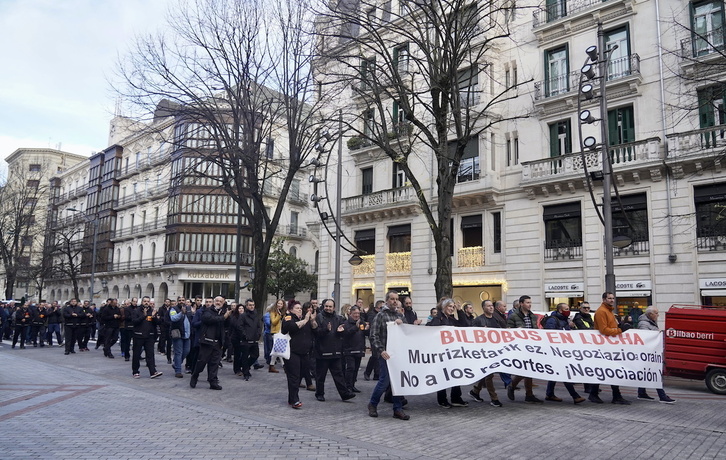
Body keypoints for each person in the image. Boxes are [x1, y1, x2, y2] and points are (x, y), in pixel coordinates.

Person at [368, 291, 409, 420]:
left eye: (396, 299)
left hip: (397, 355)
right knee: (384, 381)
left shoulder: (400, 315)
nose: (394, 301)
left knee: (397, 382)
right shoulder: (380, 316)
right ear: (387, 301)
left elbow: (407, 331)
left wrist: (402, 323)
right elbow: (373, 335)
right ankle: (372, 404)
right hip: (385, 355)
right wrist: (381, 350)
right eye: (392, 299)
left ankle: (397, 409)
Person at [588, 292, 631, 405]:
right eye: (609, 298)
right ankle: (607, 395)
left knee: (607, 369)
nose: (612, 300)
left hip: (609, 344)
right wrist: (620, 330)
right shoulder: (602, 311)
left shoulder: (609, 311)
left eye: (613, 298)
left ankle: (599, 394)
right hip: (604, 345)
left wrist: (619, 327)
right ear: (604, 299)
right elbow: (604, 330)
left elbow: (610, 327)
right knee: (606, 369)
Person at [428, 298, 469, 408]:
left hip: (452, 352)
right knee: (443, 376)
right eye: (450, 306)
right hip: (441, 352)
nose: (451, 309)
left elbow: (463, 326)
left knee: (456, 374)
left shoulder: (451, 319)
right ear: (444, 307)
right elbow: (433, 331)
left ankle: (456, 398)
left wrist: (460, 311)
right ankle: (442, 399)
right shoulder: (438, 318)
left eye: (453, 307)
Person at [314, 298, 356, 402]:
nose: (328, 308)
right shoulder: (319, 317)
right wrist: (326, 330)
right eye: (326, 306)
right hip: (322, 351)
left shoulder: (339, 318)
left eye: (330, 307)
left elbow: (344, 333)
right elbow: (316, 333)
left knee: (339, 375)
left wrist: (340, 331)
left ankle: (344, 394)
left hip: (336, 351)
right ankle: (319, 393)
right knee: (321, 376)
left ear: (334, 308)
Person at [543, 303, 586, 404]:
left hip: (563, 351)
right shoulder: (552, 320)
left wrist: (572, 327)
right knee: (563, 373)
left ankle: (549, 394)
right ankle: (575, 396)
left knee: (555, 373)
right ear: (560, 310)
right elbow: (549, 335)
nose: (568, 311)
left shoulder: (565, 320)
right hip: (555, 351)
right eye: (566, 309)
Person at [506, 295, 544, 403]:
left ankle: (529, 394)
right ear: (521, 304)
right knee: (525, 371)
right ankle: (513, 386)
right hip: (520, 346)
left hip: (531, 346)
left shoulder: (533, 316)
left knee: (530, 370)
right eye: (527, 302)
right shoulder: (513, 316)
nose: (529, 304)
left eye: (530, 303)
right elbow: (508, 330)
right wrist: (516, 331)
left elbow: (535, 330)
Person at [281, 300, 317, 409]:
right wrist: (305, 320)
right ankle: (295, 400)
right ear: (291, 310)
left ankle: (291, 398)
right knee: (294, 376)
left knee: (300, 375)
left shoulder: (305, 319)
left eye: (300, 308)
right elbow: (289, 328)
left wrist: (312, 321)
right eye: (297, 308)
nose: (300, 309)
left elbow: (315, 330)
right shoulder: (288, 317)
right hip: (292, 352)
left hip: (305, 352)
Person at [636, 306, 676, 404]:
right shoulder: (643, 324)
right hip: (648, 354)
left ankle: (641, 393)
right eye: (656, 313)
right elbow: (645, 338)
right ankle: (662, 396)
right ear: (650, 314)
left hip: (652, 353)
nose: (658, 315)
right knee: (656, 374)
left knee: (647, 373)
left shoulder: (650, 322)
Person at [190, 296, 230, 390]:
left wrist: (227, 317)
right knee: (202, 361)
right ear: (214, 302)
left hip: (218, 342)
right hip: (207, 341)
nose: (218, 302)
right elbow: (209, 319)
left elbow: (227, 325)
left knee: (214, 363)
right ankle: (195, 375)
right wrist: (223, 317)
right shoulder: (207, 311)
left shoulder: (224, 312)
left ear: (223, 302)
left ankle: (213, 381)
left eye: (220, 301)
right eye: (217, 301)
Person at [470, 300, 504, 407]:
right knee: (489, 375)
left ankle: (475, 391)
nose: (491, 308)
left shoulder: (496, 320)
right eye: (488, 306)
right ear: (483, 308)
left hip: (494, 351)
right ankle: (494, 398)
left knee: (486, 374)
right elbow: (471, 334)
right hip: (482, 352)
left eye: (492, 306)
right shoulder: (478, 320)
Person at [131, 296, 163, 379]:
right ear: (142, 302)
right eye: (145, 301)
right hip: (138, 335)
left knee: (150, 354)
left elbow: (158, 322)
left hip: (149, 336)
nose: (146, 303)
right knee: (136, 354)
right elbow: (134, 322)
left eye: (148, 301)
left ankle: (153, 371)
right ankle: (135, 371)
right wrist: (143, 316)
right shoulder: (136, 311)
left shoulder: (153, 311)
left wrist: (154, 317)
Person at [342, 305, 367, 393]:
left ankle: (352, 385)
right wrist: (356, 327)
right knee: (350, 368)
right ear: (350, 313)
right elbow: (347, 333)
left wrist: (367, 329)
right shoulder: (346, 323)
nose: (357, 315)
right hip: (349, 349)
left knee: (356, 369)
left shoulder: (361, 322)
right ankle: (348, 386)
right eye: (355, 313)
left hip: (359, 348)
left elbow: (364, 333)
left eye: (358, 313)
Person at [238, 299, 262, 381]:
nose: (252, 306)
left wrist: (258, 334)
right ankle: (246, 373)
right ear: (246, 306)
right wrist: (245, 336)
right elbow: (240, 327)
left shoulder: (256, 315)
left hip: (254, 340)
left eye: (253, 305)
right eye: (250, 305)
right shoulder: (243, 316)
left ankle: (246, 367)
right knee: (245, 357)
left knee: (255, 355)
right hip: (246, 340)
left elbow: (259, 326)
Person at [169, 298, 192, 378]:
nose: (181, 302)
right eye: (180, 300)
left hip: (187, 334)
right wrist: (181, 313)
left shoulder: (188, 308)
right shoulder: (173, 309)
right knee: (178, 352)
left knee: (187, 351)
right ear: (177, 301)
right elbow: (173, 318)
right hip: (178, 334)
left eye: (183, 300)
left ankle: (176, 363)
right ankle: (178, 371)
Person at [363, 300, 383, 381]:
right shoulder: (372, 314)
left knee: (378, 355)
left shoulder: (381, 314)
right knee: (375, 355)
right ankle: (368, 372)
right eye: (381, 307)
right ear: (376, 308)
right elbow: (372, 325)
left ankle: (376, 374)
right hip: (374, 336)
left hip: (380, 336)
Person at [264, 299, 285, 373]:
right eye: (278, 303)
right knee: (278, 348)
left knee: (277, 349)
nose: (279, 305)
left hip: (282, 332)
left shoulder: (284, 312)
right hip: (275, 332)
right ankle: (283, 364)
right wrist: (279, 315)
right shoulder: (273, 312)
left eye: (281, 304)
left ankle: (272, 365)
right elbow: (273, 322)